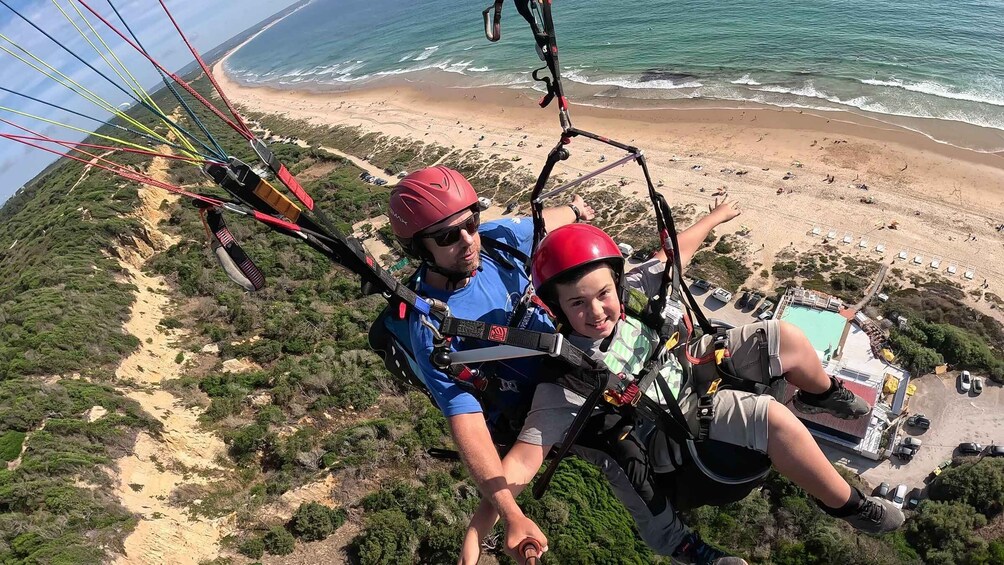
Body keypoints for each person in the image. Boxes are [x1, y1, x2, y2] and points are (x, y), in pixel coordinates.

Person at [459, 198, 904, 564]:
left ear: (616, 283)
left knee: (785, 336)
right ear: (556, 310)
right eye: (577, 304)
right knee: (769, 416)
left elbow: (673, 255)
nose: (595, 312)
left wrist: (715, 216)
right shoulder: (566, 382)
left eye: (602, 295)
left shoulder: (632, 295)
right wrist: (490, 525)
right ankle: (851, 507)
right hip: (681, 427)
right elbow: (518, 465)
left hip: (694, 372)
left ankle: (822, 394)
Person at [389, 165, 595, 560]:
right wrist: (510, 513)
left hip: (576, 355)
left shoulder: (496, 244)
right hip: (542, 405)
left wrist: (574, 208)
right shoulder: (431, 327)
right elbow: (466, 422)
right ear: (420, 249)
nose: (468, 240)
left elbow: (538, 223)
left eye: (471, 223)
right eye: (449, 236)